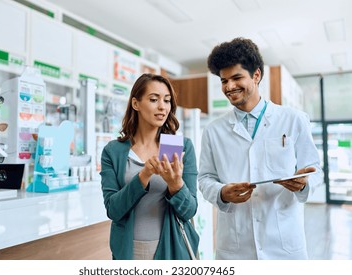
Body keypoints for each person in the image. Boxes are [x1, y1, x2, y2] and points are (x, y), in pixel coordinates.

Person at [198, 37, 323, 260]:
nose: (229, 87)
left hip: (283, 244)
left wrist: (303, 184)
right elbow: (205, 177)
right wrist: (222, 193)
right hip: (236, 248)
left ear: (256, 75)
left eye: (236, 77)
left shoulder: (293, 120)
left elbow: (315, 171)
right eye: (224, 80)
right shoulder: (213, 130)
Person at [100, 73, 199, 260]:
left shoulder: (180, 147)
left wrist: (176, 184)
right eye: (154, 99)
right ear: (135, 104)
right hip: (128, 251)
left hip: (172, 249)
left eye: (167, 100)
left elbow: (190, 210)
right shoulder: (114, 151)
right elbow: (113, 210)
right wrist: (144, 175)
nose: (162, 106)